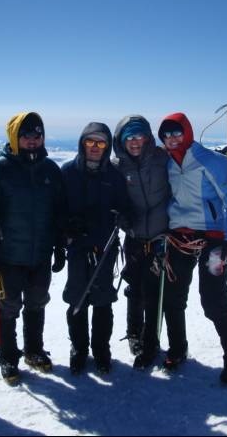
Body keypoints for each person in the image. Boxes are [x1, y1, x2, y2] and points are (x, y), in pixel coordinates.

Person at [0, 111, 66, 386]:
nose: (32, 140)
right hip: (7, 256)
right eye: (26, 135)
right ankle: (7, 357)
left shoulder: (51, 170)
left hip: (40, 254)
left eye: (37, 135)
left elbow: (59, 212)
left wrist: (59, 246)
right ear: (15, 138)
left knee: (37, 303)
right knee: (8, 308)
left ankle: (34, 351)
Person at [158, 112, 227, 384]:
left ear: (188, 132)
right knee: (173, 299)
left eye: (176, 133)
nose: (172, 139)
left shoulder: (212, 162)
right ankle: (177, 350)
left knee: (213, 301)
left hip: (213, 239)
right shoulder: (165, 162)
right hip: (178, 238)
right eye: (166, 134)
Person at [61, 122, 131, 375]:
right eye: (90, 141)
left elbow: (124, 206)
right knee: (77, 297)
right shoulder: (67, 172)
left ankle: (101, 350)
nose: (94, 147)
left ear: (107, 146)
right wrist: (67, 228)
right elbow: (56, 209)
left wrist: (123, 217)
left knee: (102, 300)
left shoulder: (114, 176)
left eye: (100, 142)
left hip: (105, 247)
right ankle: (79, 349)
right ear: (82, 143)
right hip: (78, 247)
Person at [112, 115, 171, 369]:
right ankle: (134, 334)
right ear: (121, 141)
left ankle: (150, 343)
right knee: (134, 289)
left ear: (147, 137)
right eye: (129, 138)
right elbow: (112, 202)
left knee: (155, 292)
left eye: (139, 137)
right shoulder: (116, 167)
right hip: (135, 238)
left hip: (161, 238)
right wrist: (124, 221)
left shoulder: (162, 159)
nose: (135, 142)